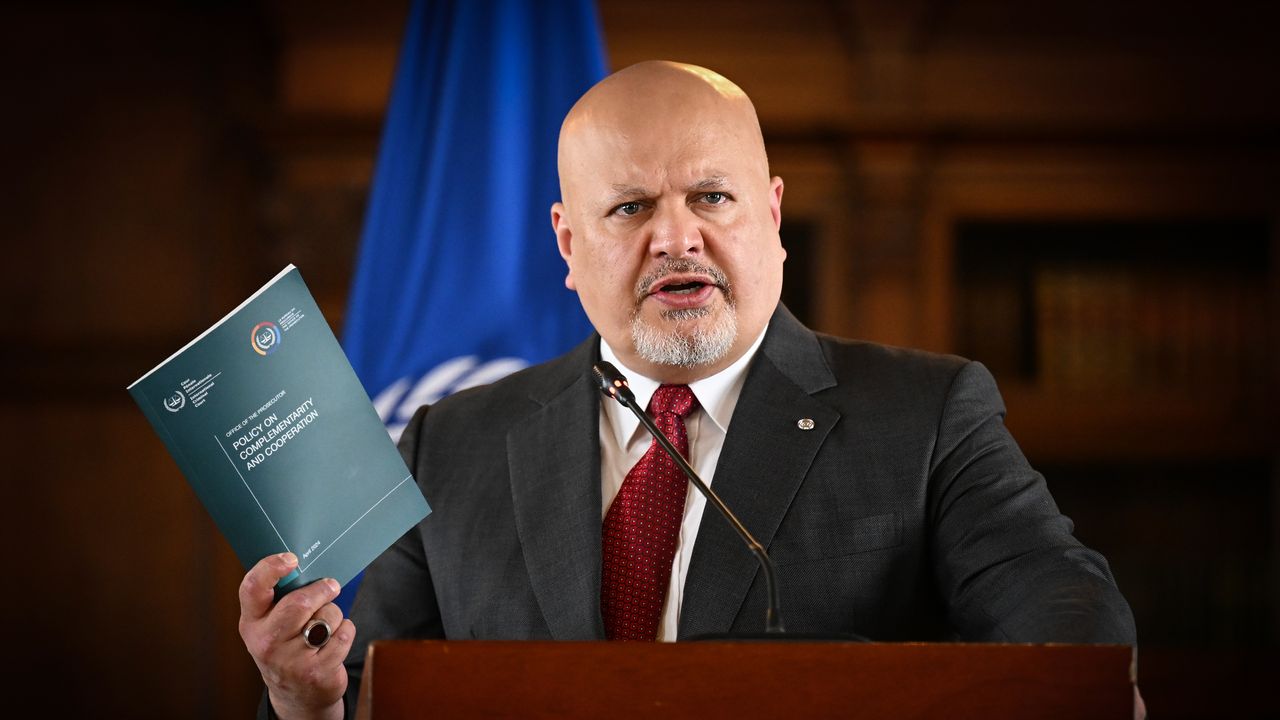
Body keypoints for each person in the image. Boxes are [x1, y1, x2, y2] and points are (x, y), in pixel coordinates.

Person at [238, 61, 1137, 720]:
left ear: (773, 218)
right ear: (566, 243)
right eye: (630, 208)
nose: (678, 239)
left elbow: (1070, 625)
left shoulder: (930, 415)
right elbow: (376, 701)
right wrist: (305, 700)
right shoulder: (449, 445)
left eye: (712, 197)